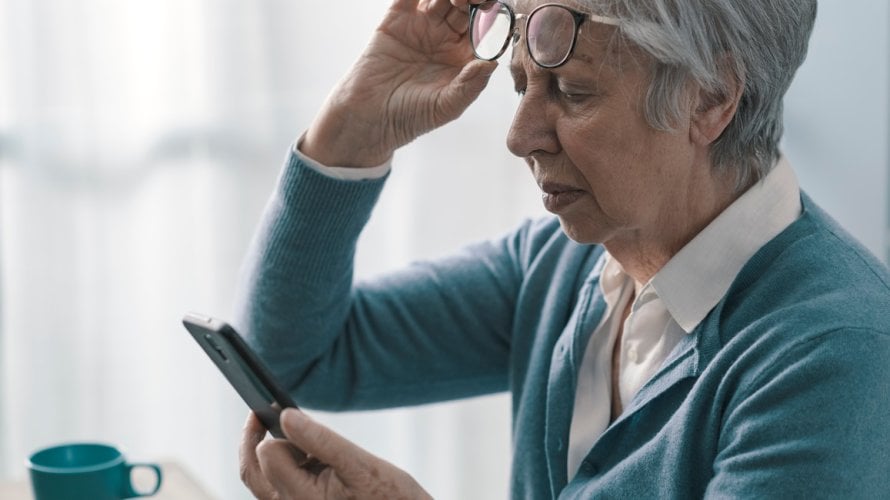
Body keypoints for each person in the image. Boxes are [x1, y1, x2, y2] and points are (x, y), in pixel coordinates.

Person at [235, 0, 890, 497]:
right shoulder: (560, 267)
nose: (520, 137)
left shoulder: (835, 355)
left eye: (572, 92)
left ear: (712, 99)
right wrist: (353, 127)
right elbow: (294, 355)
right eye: (521, 85)